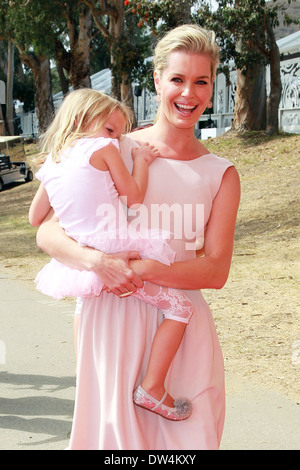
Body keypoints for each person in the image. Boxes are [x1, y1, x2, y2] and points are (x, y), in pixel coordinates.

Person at [35, 24, 240, 450]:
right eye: (178, 79)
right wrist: (97, 263)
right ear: (157, 80)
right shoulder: (111, 145)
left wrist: (141, 268)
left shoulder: (221, 174)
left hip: (181, 329)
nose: (189, 93)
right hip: (111, 323)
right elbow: (48, 230)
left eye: (201, 81)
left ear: (211, 86)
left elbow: (216, 270)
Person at [29, 88, 194, 421]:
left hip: (81, 257)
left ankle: (87, 379)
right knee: (180, 307)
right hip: (116, 246)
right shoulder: (103, 148)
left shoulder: (52, 161)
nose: (116, 139)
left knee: (83, 304)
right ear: (81, 119)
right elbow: (133, 197)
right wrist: (141, 161)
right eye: (110, 130)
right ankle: (153, 387)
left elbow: (36, 219)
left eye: (118, 134)